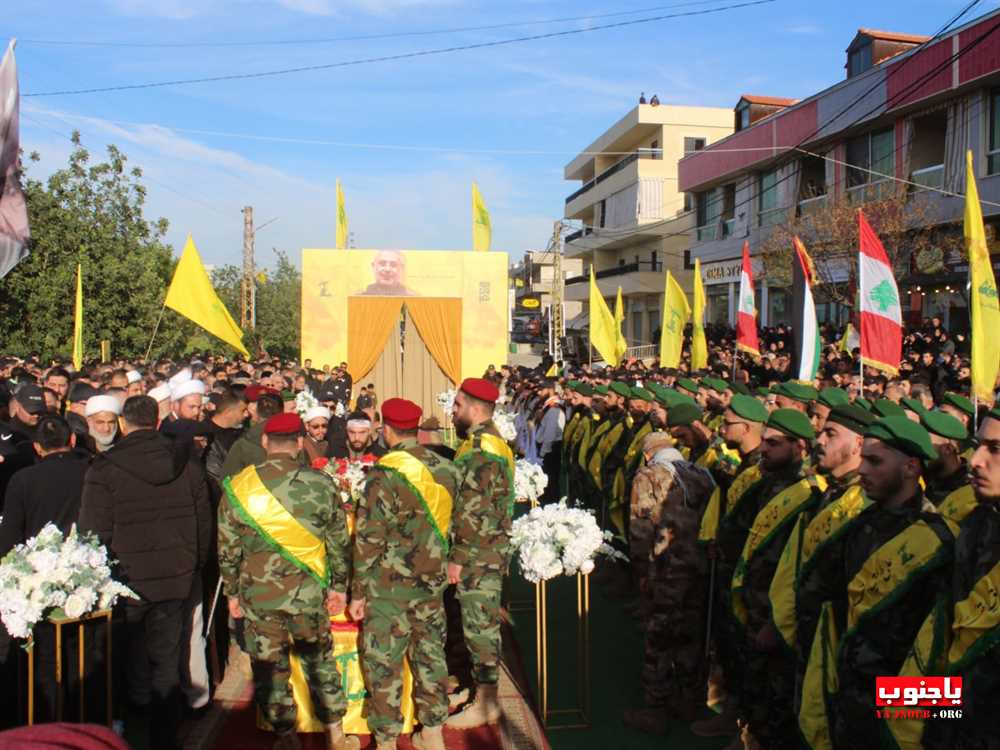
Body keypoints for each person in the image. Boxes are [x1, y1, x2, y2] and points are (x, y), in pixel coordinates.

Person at [78, 396, 212, 750]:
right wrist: (192, 565)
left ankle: (138, 726)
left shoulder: (104, 468)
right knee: (166, 657)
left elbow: (93, 533)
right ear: (157, 422)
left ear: (123, 424)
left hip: (128, 579)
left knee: (132, 656)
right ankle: (163, 735)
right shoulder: (187, 464)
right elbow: (203, 525)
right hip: (174, 576)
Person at [218, 413, 356, 750]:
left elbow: (227, 547)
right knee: (319, 660)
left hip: (258, 594)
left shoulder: (238, 487)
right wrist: (339, 586)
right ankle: (336, 733)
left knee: (270, 665)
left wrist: (232, 593)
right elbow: (339, 542)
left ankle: (285, 736)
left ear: (265, 443)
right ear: (299, 443)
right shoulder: (322, 484)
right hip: (309, 593)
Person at [827, 417, 954, 748]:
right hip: (850, 691)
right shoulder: (860, 523)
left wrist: (909, 718)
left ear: (911, 467)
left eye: (875, 461)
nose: (862, 469)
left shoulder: (940, 540)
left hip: (899, 703)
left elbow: (939, 649)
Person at [349, 398, 463, 750]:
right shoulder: (447, 469)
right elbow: (461, 526)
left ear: (386, 430)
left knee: (384, 665)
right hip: (431, 584)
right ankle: (432, 733)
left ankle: (385, 740)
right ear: (416, 429)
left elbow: (368, 540)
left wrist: (357, 592)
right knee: (430, 657)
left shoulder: (383, 475)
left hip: (387, 588)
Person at [623, 431, 715, 733]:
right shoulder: (701, 474)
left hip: (664, 570)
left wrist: (641, 574)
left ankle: (656, 708)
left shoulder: (648, 475)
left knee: (659, 637)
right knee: (690, 635)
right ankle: (689, 701)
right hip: (698, 569)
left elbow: (640, 530)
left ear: (648, 454)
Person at [922, 406, 1000, 748]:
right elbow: (946, 637)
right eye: (978, 445)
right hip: (955, 719)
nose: (976, 460)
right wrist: (902, 705)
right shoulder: (976, 524)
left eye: (995, 449)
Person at [446, 378, 516, 729]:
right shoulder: (492, 440)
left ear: (475, 408)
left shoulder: (480, 447)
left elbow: (472, 509)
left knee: (480, 629)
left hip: (477, 552)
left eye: (457, 405)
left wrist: (457, 557)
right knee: (478, 624)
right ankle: (478, 689)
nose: (453, 411)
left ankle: (486, 703)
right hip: (486, 548)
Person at [0, 415, 89, 554]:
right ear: (73, 439)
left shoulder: (22, 479)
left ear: (37, 447)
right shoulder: (92, 473)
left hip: (36, 566)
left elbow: (10, 536)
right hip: (87, 558)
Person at [221, 392, 285, 479]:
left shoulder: (243, 444)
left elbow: (227, 480)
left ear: (256, 413)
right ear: (282, 411)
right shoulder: (294, 441)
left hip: (253, 491)